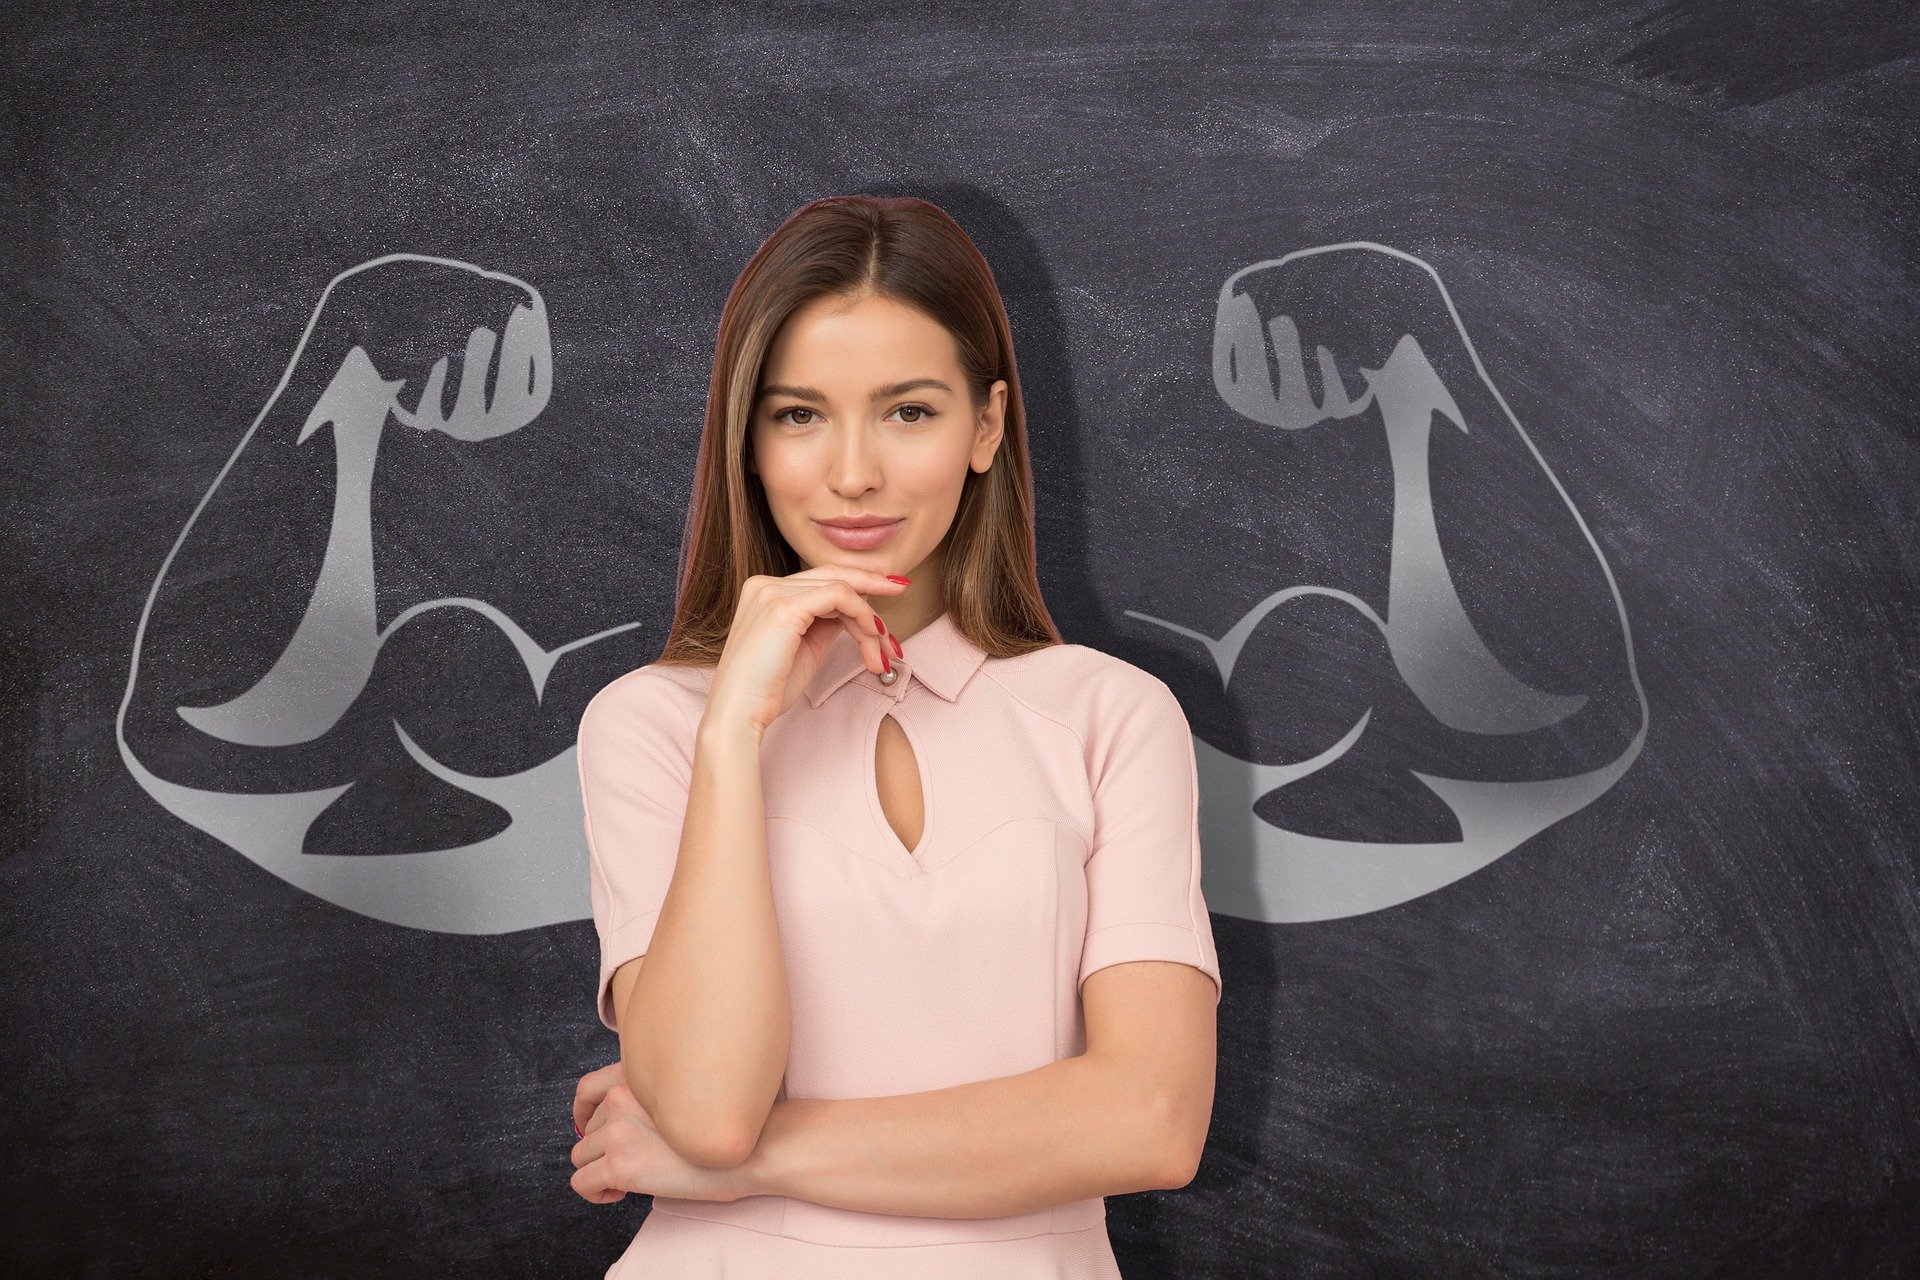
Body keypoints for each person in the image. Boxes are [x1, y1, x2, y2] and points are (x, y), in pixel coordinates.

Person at [566, 194, 1223, 1278]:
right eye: (799, 414)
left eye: (908, 411)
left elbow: (1150, 1118)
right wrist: (733, 727)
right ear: (748, 438)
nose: (854, 471)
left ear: (988, 425)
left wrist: (751, 1162)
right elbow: (709, 1107)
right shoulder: (652, 724)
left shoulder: (1112, 714)